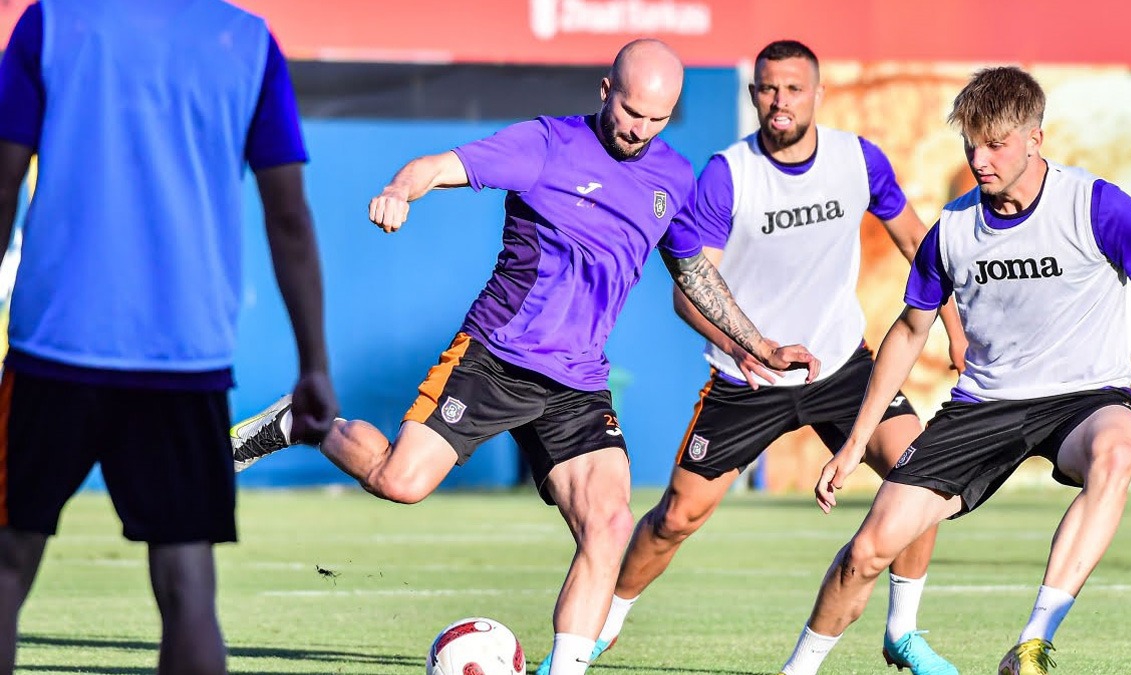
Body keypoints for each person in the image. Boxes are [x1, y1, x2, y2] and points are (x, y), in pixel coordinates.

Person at [230, 38, 818, 675]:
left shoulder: (674, 177)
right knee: (401, 483)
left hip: (578, 383)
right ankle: (306, 423)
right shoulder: (546, 144)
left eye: (657, 118)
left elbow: (693, 270)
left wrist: (758, 343)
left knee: (609, 525)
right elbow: (437, 166)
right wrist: (400, 190)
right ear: (606, 91)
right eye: (631, 112)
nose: (640, 130)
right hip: (495, 358)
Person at [777, 66, 1131, 675]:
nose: (979, 160)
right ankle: (799, 668)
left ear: (1035, 139)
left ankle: (1032, 644)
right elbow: (909, 331)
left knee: (1116, 450)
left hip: (1085, 400)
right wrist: (855, 444)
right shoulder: (951, 229)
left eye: (996, 144)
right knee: (867, 552)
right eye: (970, 144)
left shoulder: (1095, 205)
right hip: (983, 407)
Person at [588, 39, 966, 675]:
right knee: (677, 517)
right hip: (748, 378)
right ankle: (601, 627)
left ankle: (902, 632)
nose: (780, 100)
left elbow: (918, 246)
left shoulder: (857, 160)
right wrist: (741, 346)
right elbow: (688, 292)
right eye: (767, 88)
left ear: (818, 94)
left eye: (793, 88)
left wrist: (953, 327)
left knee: (920, 476)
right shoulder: (727, 174)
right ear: (754, 94)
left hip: (841, 366)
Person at [0, 1, 338, 672]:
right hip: (183, 357)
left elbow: (2, 183)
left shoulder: (53, 22)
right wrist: (314, 364)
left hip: (57, 344)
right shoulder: (246, 42)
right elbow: (289, 217)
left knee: (6, 564)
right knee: (187, 585)